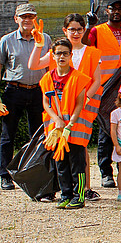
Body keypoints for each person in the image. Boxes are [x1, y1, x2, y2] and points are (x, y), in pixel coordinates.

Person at [28, 14, 102, 201]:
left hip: (81, 107)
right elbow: (34, 65)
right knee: (60, 151)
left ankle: (83, 190)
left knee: (79, 148)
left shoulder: (92, 53)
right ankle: (64, 191)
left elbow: (97, 80)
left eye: (79, 29)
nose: (75, 33)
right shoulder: (58, 51)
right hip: (58, 111)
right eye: (72, 29)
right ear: (65, 30)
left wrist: (85, 99)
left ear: (84, 30)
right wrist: (38, 46)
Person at [82, 0, 121, 188]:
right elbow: (83, 47)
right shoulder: (97, 31)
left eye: (120, 8)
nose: (116, 11)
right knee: (106, 130)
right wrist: (88, 26)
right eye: (112, 8)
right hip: (104, 87)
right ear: (106, 11)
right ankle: (106, 173)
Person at [0, 3, 51, 191]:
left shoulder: (45, 39)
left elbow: (49, 69)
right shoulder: (6, 40)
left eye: (31, 16)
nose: (27, 20)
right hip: (14, 91)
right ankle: (4, 175)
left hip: (38, 91)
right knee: (8, 136)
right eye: (24, 17)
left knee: (38, 135)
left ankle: (35, 174)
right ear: (16, 19)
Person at [40, 38, 92, 209]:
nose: (61, 56)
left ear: (70, 55)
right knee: (61, 163)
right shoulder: (47, 78)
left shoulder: (79, 78)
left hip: (75, 128)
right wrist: (57, 120)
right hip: (56, 129)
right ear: (52, 56)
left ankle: (79, 196)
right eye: (58, 53)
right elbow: (46, 104)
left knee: (77, 164)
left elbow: (79, 103)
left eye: (65, 53)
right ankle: (65, 194)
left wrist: (70, 123)